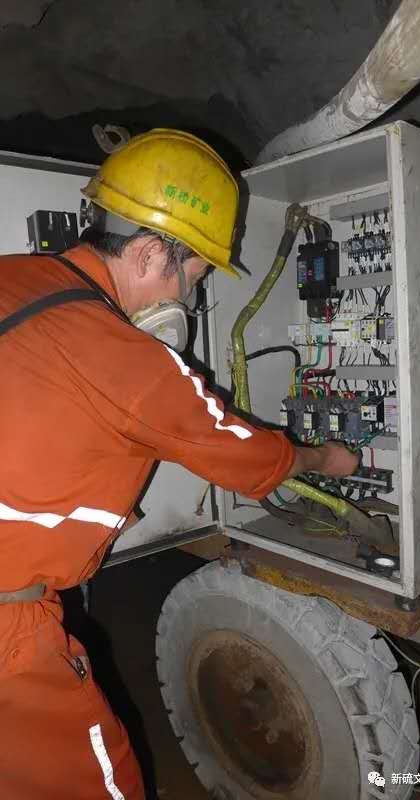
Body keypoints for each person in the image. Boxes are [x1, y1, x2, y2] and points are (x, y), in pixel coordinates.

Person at [0, 128, 358, 799]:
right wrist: (324, 457)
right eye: (192, 279)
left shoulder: (11, 276)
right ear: (147, 253)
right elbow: (246, 457)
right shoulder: (136, 363)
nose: (188, 303)